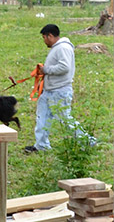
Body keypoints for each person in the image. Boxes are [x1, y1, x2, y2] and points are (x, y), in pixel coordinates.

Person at [25, 23, 76, 153]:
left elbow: (65, 67)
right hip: (49, 91)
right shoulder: (57, 48)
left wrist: (46, 70)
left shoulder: (63, 48)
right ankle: (41, 145)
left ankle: (87, 142)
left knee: (65, 120)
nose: (44, 41)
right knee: (42, 118)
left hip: (60, 91)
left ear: (50, 36)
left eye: (44, 37)